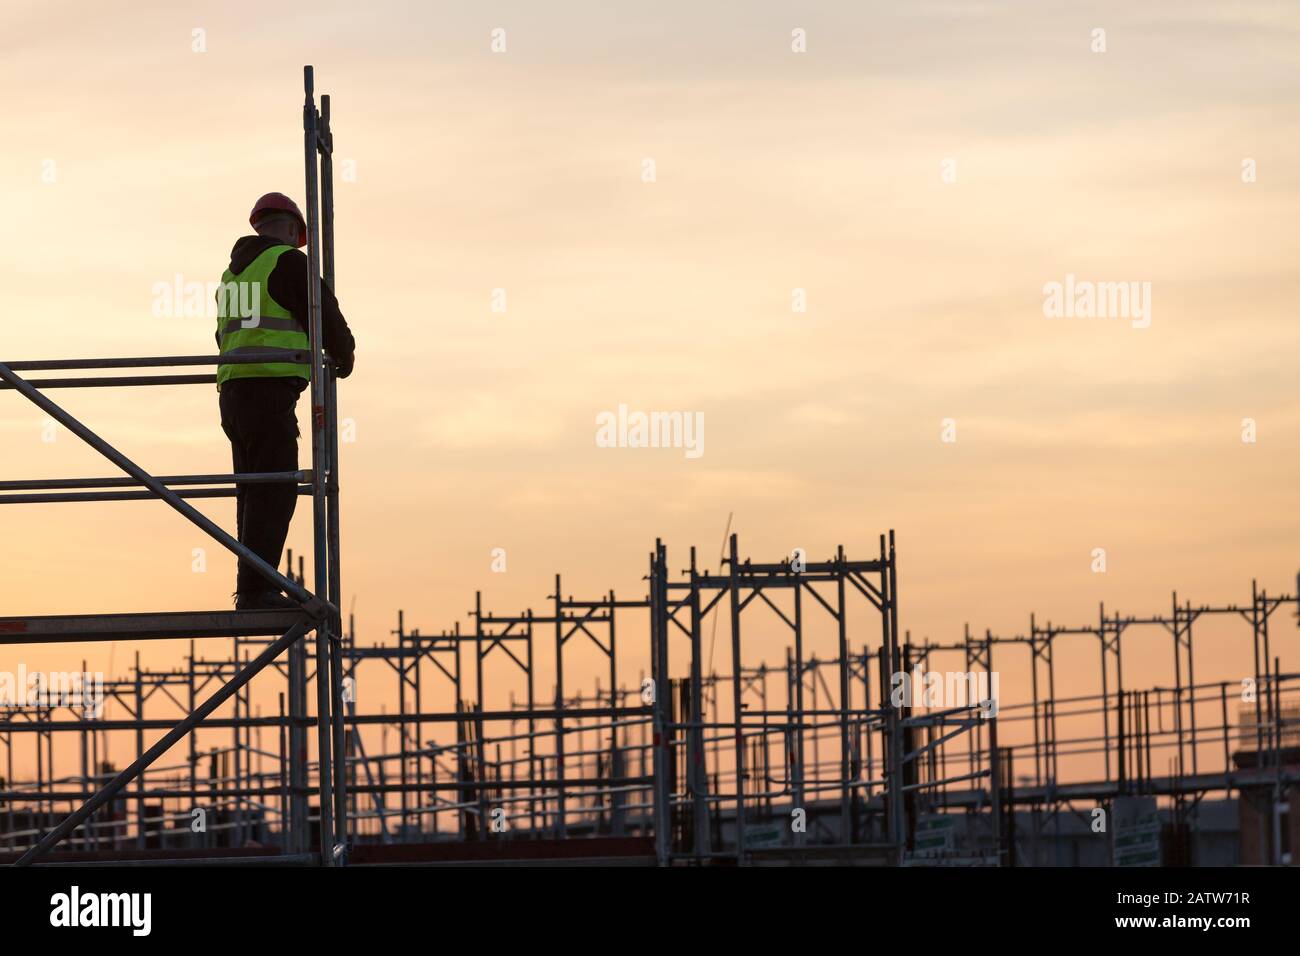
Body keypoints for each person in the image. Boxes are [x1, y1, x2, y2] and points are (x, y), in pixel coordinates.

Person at [215, 192, 355, 610]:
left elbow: (224, 335)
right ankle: (257, 591)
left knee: (253, 490)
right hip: (268, 390)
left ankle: (251, 586)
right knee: (275, 489)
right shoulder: (288, 261)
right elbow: (323, 313)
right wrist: (344, 353)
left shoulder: (233, 275)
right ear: (295, 231)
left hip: (234, 394)